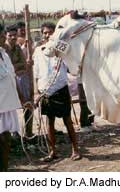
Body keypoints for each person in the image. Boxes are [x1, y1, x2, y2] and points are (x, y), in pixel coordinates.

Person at [33, 22, 81, 162]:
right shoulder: (38, 50)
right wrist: (36, 92)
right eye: (45, 32)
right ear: (42, 34)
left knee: (67, 120)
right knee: (49, 122)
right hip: (45, 91)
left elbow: (71, 63)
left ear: (54, 34)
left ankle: (75, 149)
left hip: (60, 88)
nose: (47, 35)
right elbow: (35, 73)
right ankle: (52, 151)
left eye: (50, 32)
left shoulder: (61, 47)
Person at [3, 24, 33, 137]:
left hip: (18, 78)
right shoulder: (3, 49)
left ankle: (28, 132)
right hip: (7, 82)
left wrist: (14, 67)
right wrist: (15, 67)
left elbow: (24, 65)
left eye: (14, 35)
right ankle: (12, 132)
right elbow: (7, 69)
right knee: (9, 108)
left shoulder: (17, 47)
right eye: (10, 35)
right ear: (5, 36)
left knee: (26, 102)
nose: (13, 38)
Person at [0, 24, 21, 171]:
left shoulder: (4, 54)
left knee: (6, 140)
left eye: (2, 36)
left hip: (8, 105)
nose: (3, 39)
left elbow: (12, 77)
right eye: (1, 36)